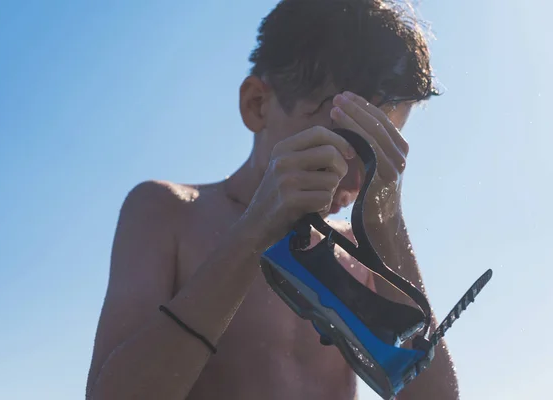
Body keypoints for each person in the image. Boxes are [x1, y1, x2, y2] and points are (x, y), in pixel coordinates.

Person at [85, 0, 459, 399]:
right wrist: (252, 236)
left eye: (378, 157)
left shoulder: (359, 256)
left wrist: (388, 227)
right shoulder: (170, 213)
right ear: (257, 105)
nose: (356, 181)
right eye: (346, 145)